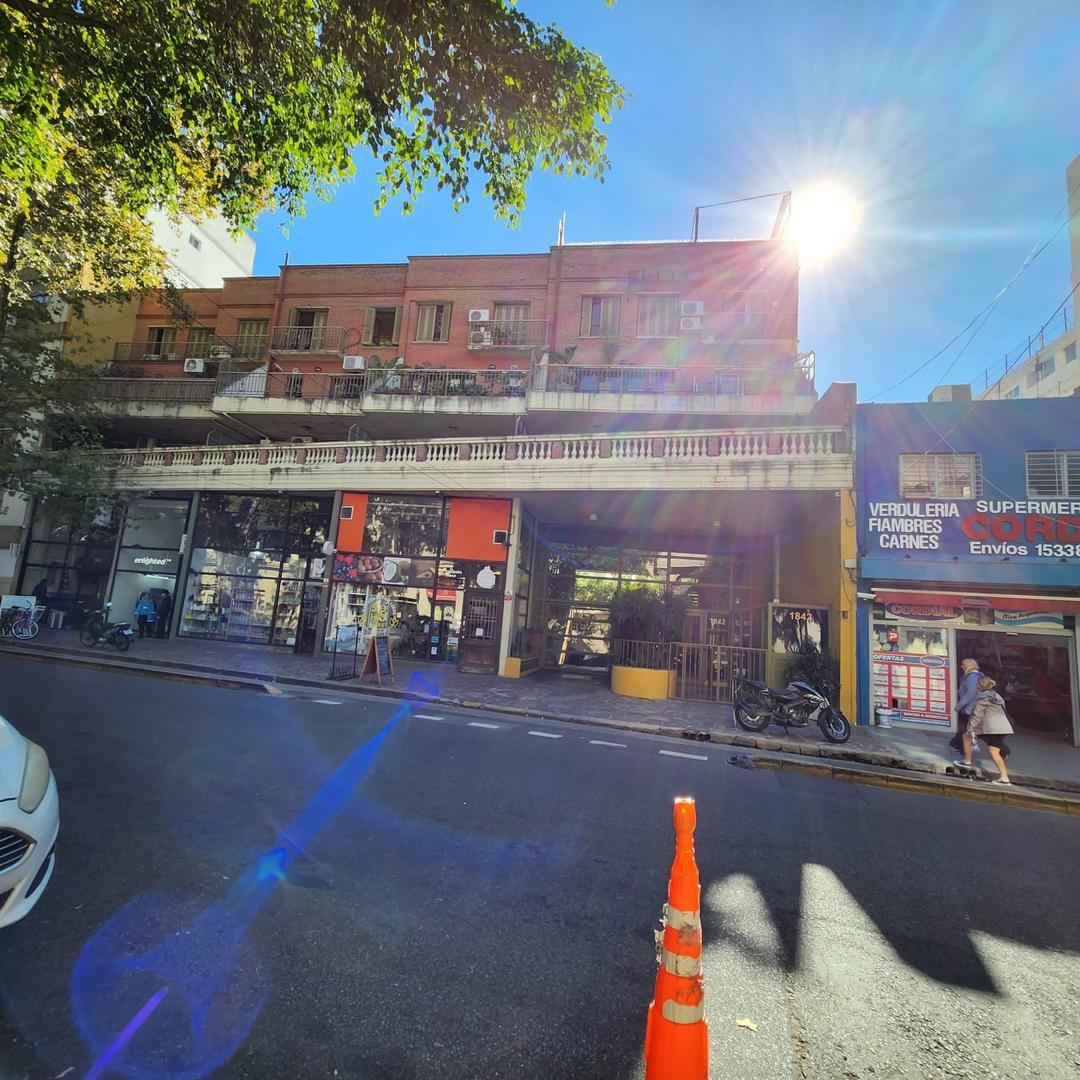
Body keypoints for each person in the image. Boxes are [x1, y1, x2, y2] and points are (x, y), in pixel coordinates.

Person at [955, 676, 1013, 784]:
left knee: (994, 752)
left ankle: (1004, 778)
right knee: (967, 736)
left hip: (993, 729)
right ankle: (967, 761)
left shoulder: (983, 698)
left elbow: (977, 715)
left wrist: (971, 728)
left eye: (977, 684)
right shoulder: (996, 695)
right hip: (1001, 727)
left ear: (979, 685)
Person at [949, 657, 981, 753]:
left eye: (963, 665)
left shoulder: (973, 677)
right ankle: (961, 748)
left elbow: (970, 694)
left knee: (964, 730)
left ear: (968, 665)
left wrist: (959, 705)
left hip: (969, 708)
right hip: (970, 708)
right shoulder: (972, 676)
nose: (961, 666)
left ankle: (962, 748)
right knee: (964, 730)